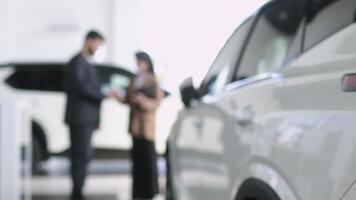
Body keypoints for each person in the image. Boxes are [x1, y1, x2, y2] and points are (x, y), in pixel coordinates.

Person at [109, 51, 164, 200]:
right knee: (137, 160)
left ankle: (151, 192)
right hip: (135, 125)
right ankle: (138, 193)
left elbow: (157, 102)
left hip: (147, 125)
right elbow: (127, 99)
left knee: (148, 159)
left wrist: (144, 101)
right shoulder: (134, 79)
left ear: (146, 62)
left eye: (140, 61)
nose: (138, 64)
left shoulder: (153, 80)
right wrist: (117, 97)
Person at [64, 30, 106, 200]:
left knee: (83, 156)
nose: (98, 47)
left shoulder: (88, 62)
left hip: (87, 118)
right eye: (97, 43)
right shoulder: (77, 62)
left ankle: (78, 190)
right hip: (79, 118)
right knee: (80, 156)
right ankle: (77, 193)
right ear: (89, 40)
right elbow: (82, 88)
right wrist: (103, 95)